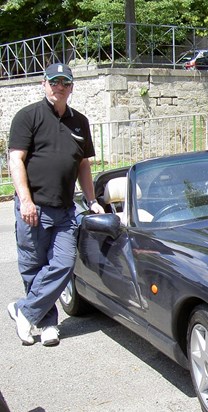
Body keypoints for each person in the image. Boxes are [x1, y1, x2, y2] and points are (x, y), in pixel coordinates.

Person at [7, 63, 104, 346]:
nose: (59, 87)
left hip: (64, 208)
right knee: (34, 267)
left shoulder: (80, 121)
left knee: (62, 263)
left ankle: (24, 311)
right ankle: (47, 323)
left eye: (65, 82)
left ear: (71, 87)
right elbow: (16, 160)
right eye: (54, 82)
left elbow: (83, 164)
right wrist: (25, 200)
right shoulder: (28, 116)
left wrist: (91, 200)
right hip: (34, 207)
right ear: (44, 84)